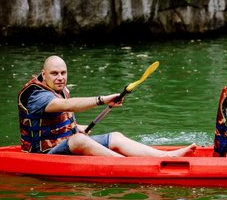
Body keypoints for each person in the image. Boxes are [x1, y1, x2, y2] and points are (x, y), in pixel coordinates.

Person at [18, 55, 197, 157]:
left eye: (63, 73)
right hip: (43, 155)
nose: (60, 77)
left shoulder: (60, 87)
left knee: (116, 137)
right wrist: (102, 100)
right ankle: (132, 166)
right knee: (80, 140)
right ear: (44, 73)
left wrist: (76, 127)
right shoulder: (34, 94)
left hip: (64, 143)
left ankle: (167, 156)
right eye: (54, 73)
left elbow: (59, 122)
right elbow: (65, 105)